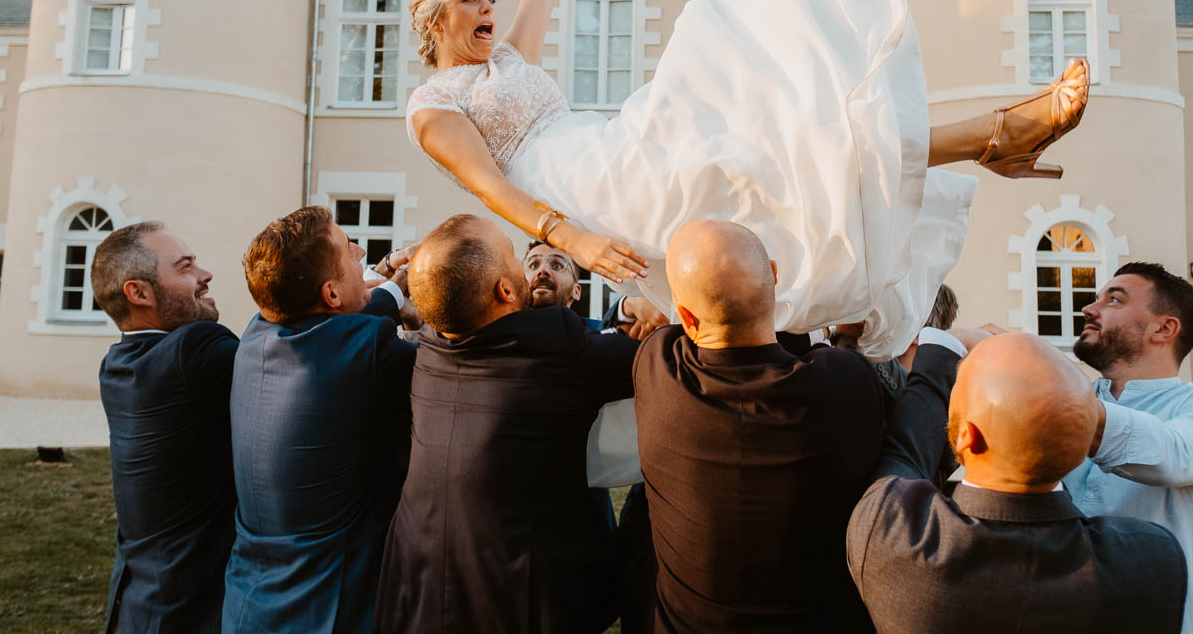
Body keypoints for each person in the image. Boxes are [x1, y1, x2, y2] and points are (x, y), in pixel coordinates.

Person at [403, 0, 1089, 358]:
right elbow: (491, 187)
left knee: (768, 125)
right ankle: (988, 132)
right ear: (437, 19)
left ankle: (986, 126)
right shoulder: (433, 107)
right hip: (579, 184)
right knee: (742, 124)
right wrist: (575, 238)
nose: (489, 6)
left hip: (601, 141)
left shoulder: (509, 57)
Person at [634, 218, 931, 632]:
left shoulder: (658, 368)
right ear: (774, 275)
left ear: (686, 316)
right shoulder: (843, 382)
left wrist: (632, 305)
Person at [375, 215, 640, 634]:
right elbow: (665, 361)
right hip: (514, 603)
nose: (530, 270)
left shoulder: (428, 350)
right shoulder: (556, 344)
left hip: (417, 595)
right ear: (504, 289)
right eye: (517, 259)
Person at [847, 331, 1188, 634]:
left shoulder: (893, 533)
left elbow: (904, 455)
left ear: (966, 436)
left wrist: (944, 345)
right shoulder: (1153, 559)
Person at [223, 207, 417, 634]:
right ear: (330, 294)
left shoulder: (256, 334)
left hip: (249, 605)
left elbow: (344, 325)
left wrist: (389, 281)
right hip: (327, 607)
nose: (360, 250)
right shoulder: (369, 351)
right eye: (349, 250)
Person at [1068, 262, 1193, 634]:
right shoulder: (1074, 397)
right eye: (1096, 299)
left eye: (1114, 300)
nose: (1089, 309)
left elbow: (1168, 455)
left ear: (1164, 328)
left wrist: (1029, 379)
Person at [93, 222, 238, 634]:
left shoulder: (119, 364)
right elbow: (281, 359)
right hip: (186, 610)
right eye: (186, 266)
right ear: (138, 293)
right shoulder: (193, 350)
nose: (204, 274)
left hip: (136, 605)